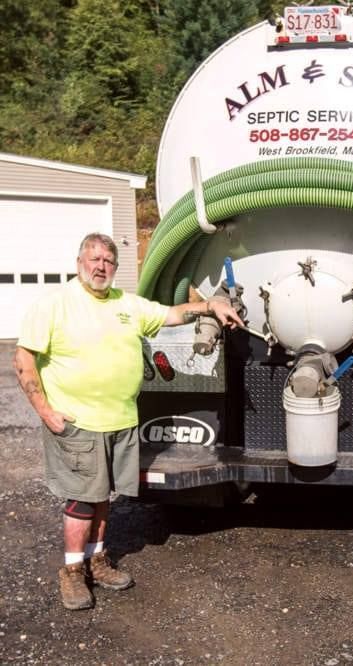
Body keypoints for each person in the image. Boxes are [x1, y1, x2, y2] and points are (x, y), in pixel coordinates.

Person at [14, 232, 243, 611]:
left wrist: (211, 306)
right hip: (77, 423)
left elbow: (171, 314)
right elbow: (23, 359)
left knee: (103, 497)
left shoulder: (127, 304)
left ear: (116, 268)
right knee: (82, 501)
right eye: (95, 259)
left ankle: (97, 560)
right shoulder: (55, 305)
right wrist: (45, 411)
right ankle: (72, 572)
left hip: (120, 420)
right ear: (79, 263)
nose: (101, 266)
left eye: (109, 261)